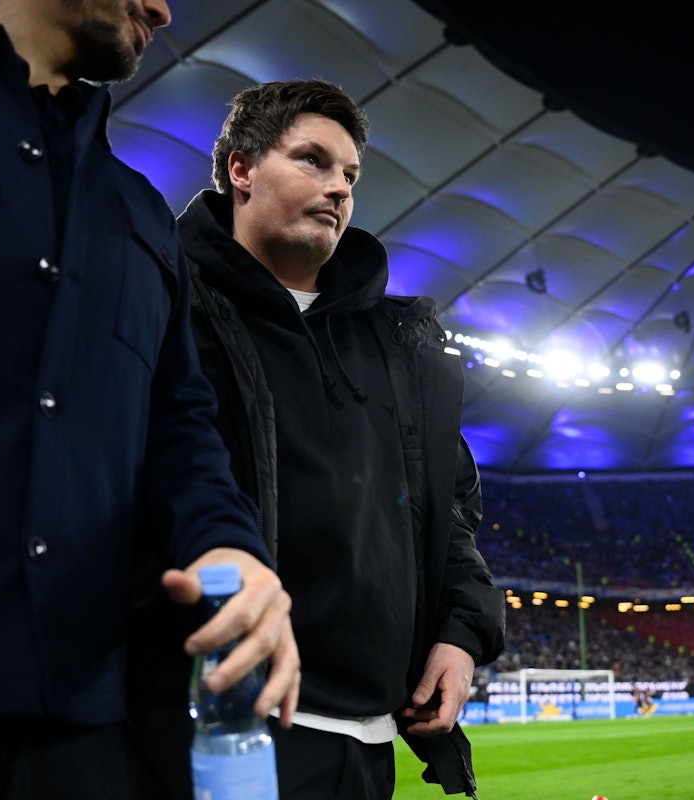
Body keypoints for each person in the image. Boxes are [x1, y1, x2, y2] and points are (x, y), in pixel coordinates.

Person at [0, 2, 300, 798]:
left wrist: (228, 545)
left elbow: (179, 425)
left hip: (78, 745)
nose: (163, 8)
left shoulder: (141, 211)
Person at [132, 79, 506, 800]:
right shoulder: (166, 305)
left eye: (349, 175)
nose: (337, 187)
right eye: (311, 160)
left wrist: (460, 636)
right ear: (240, 169)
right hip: (218, 729)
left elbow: (448, 515)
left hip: (369, 743)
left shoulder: (403, 348)